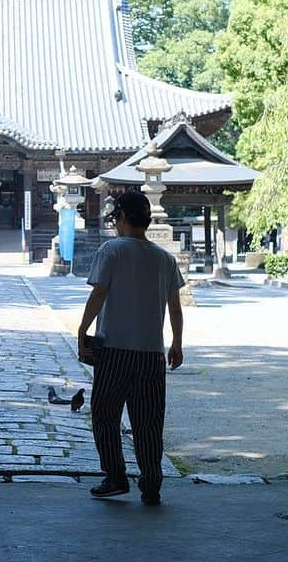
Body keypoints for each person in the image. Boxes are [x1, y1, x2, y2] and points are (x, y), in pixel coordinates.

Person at [77, 191, 184, 506]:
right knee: (149, 422)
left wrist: (83, 329)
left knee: (105, 415)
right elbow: (175, 308)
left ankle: (115, 477)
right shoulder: (165, 258)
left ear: (121, 217)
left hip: (114, 350)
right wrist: (176, 342)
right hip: (152, 353)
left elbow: (99, 293)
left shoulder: (112, 250)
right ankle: (151, 484)